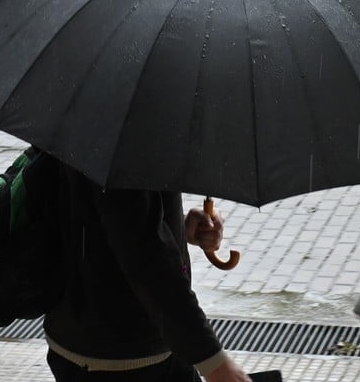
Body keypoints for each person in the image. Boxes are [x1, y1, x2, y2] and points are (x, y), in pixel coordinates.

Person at [43, 159, 252, 382]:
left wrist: (178, 227)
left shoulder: (100, 134)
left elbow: (118, 218)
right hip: (122, 352)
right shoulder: (127, 146)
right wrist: (215, 363)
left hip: (86, 334)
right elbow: (147, 255)